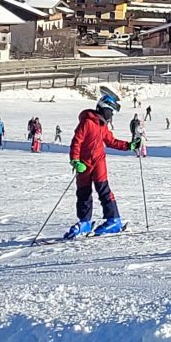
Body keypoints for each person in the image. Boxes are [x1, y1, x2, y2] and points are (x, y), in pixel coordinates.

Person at [65, 89, 141, 238]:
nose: (111, 116)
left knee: (103, 190)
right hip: (84, 163)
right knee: (83, 193)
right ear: (104, 109)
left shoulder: (102, 126)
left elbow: (111, 141)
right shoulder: (87, 123)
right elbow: (76, 142)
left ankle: (114, 219)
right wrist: (75, 160)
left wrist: (129, 146)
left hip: (98, 162)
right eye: (110, 112)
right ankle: (85, 222)